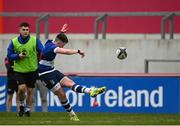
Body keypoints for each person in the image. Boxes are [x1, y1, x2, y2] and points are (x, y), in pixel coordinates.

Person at [38, 24, 106, 121]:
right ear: (58, 42)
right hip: (45, 75)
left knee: (71, 83)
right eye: (63, 44)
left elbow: (57, 38)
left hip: (52, 70)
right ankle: (72, 115)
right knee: (62, 94)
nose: (63, 46)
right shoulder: (52, 48)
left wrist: (62, 32)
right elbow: (65, 52)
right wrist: (78, 51)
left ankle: (90, 91)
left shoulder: (51, 42)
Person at [7, 22, 43, 117]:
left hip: (32, 70)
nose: (25, 31)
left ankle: (27, 109)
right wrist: (18, 56)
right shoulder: (14, 41)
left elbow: (42, 51)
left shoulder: (35, 40)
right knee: (22, 88)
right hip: (19, 70)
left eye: (27, 30)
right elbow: (9, 56)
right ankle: (21, 105)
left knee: (30, 91)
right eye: (23, 29)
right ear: (19, 30)